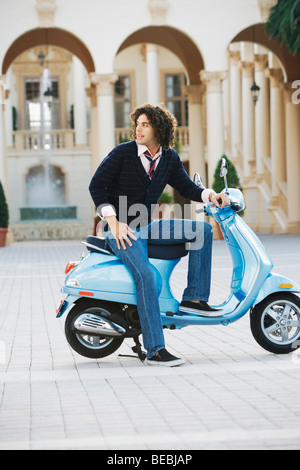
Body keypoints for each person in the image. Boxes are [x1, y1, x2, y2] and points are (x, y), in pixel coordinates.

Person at [89, 103, 230, 367]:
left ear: (159, 129)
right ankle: (155, 349)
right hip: (120, 229)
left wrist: (212, 196)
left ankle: (195, 298)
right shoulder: (123, 153)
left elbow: (188, 187)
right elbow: (96, 185)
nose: (138, 129)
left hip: (147, 225)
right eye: (137, 124)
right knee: (146, 276)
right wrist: (114, 221)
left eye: (145, 124)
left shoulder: (169, 158)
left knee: (202, 230)